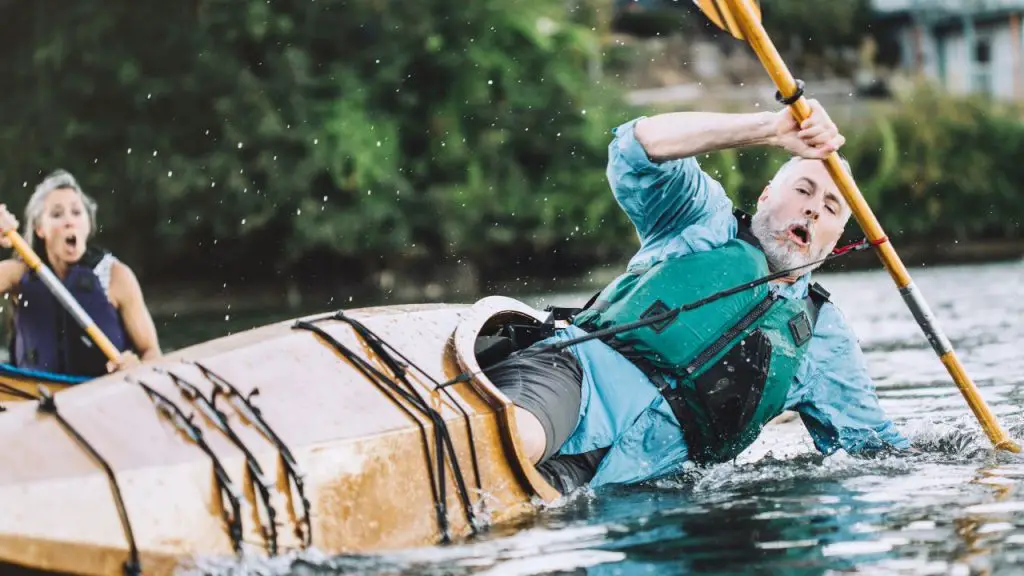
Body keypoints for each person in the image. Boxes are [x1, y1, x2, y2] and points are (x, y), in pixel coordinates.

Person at [484, 99, 911, 493]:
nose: (814, 208)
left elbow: (873, 449)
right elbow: (638, 144)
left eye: (832, 208)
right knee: (520, 440)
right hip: (575, 376)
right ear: (766, 195)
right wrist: (771, 129)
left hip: (638, 473)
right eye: (803, 190)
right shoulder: (700, 219)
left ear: (837, 238)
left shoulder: (825, 336)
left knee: (533, 499)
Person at [0, 169, 161, 376]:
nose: (69, 221)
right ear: (40, 229)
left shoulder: (117, 277)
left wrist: (136, 367)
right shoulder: (17, 275)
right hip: (35, 401)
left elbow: (152, 352)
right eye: (57, 214)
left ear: (87, 224)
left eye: (76, 212)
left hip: (101, 398)